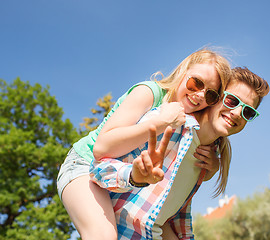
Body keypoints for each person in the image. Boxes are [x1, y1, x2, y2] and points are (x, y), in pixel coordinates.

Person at [57, 48, 232, 240]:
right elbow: (102, 148)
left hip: (123, 179)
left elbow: (184, 172)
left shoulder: (188, 120)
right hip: (84, 165)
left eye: (211, 95)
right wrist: (161, 123)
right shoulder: (150, 93)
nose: (199, 95)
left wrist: (212, 168)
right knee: (103, 235)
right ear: (183, 71)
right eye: (195, 83)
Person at [90, 67, 270, 239]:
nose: (238, 113)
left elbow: (170, 212)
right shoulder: (168, 123)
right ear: (214, 97)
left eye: (248, 111)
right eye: (232, 100)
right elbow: (98, 167)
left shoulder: (209, 156)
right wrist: (133, 176)